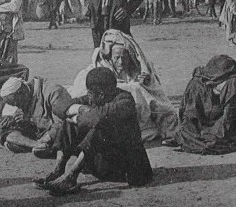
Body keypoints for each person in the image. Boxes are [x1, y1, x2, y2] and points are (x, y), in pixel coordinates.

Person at [35, 68, 153, 196]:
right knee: (68, 124)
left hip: (126, 168)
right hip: (104, 163)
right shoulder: (96, 97)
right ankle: (58, 170)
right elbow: (59, 106)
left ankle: (71, 176)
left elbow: (97, 118)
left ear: (101, 94)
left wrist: (76, 117)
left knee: (101, 128)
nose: (88, 95)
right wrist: (79, 108)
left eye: (90, 93)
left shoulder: (124, 101)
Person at [68, 28, 179, 144]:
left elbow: (156, 94)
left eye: (124, 58)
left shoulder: (135, 71)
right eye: (117, 58)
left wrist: (146, 82)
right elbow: (82, 93)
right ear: (110, 57)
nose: (121, 62)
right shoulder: (95, 70)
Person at [174, 55, 236, 155]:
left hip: (226, 124)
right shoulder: (198, 83)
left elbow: (230, 119)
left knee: (214, 139)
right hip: (210, 119)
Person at [0, 75, 68, 154]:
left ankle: (31, 146)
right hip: (38, 136)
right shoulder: (25, 95)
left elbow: (61, 124)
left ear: (21, 92)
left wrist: (31, 119)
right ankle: (37, 145)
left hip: (53, 134)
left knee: (12, 142)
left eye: (16, 103)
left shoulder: (53, 92)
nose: (17, 106)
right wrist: (12, 120)